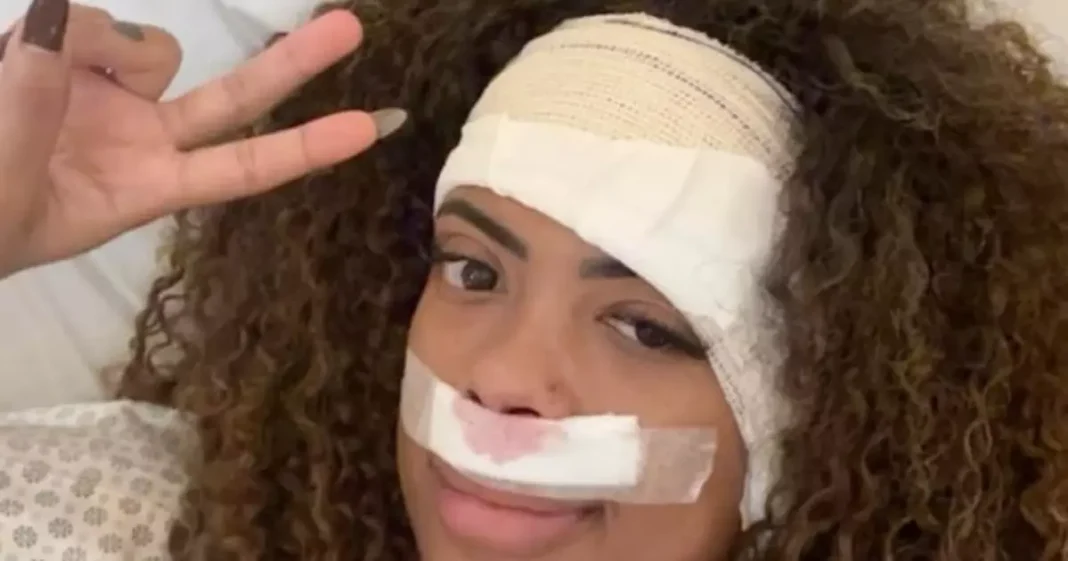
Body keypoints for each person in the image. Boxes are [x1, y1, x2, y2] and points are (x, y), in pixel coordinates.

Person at [1, 1, 1066, 561]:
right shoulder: (124, 518)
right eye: (473, 269)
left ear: (821, 419)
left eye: (645, 326)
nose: (503, 378)